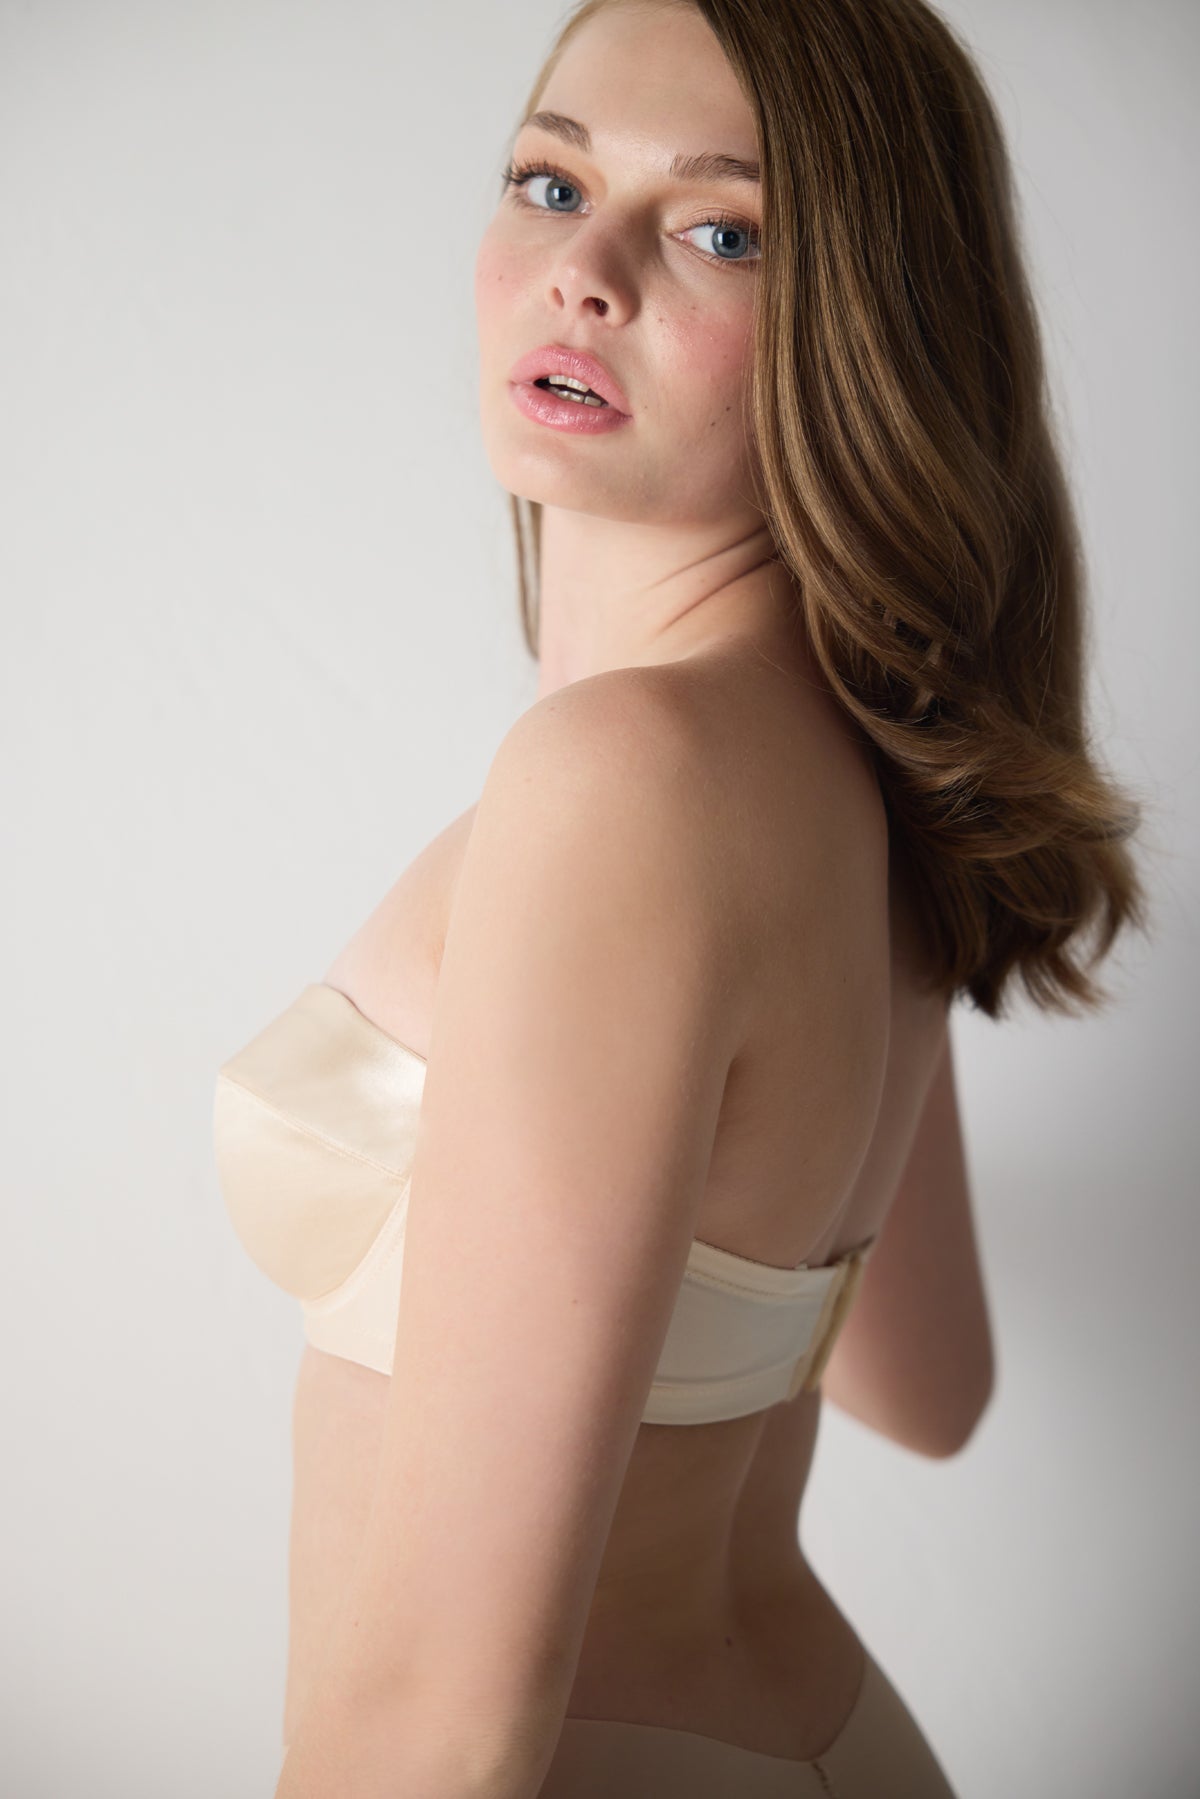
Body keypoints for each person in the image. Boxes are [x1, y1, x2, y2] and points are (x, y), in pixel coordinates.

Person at [212, 1, 1148, 1793]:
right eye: (552, 182)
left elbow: (443, 1716)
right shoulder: (863, 779)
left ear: (868, 335)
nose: (586, 271)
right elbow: (924, 1381)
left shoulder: (623, 788)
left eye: (722, 230)